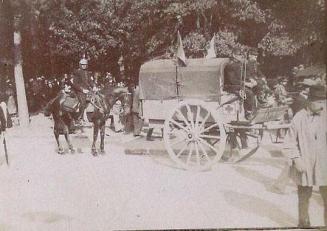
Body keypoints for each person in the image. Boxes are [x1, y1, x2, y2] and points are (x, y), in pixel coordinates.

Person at [283, 84, 327, 227]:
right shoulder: (299, 118)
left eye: (324, 101)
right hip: (305, 162)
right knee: (304, 196)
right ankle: (303, 223)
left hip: (324, 162)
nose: (322, 105)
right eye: (319, 102)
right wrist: (296, 159)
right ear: (310, 101)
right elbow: (289, 142)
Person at [70, 57, 94, 122]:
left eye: (85, 64)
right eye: (83, 64)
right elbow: (75, 84)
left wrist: (94, 86)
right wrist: (82, 90)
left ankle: (91, 115)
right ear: (80, 65)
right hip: (79, 90)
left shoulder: (87, 72)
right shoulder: (77, 72)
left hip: (87, 90)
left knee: (96, 99)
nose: (84, 66)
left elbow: (90, 81)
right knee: (83, 103)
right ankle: (79, 117)